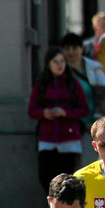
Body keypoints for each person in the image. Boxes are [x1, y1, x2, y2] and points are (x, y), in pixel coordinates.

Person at [29, 48, 90, 190]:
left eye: (62, 61)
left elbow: (84, 109)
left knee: (67, 181)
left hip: (69, 140)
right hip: (47, 140)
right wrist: (44, 113)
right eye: (55, 62)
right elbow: (32, 110)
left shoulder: (73, 84)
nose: (59, 65)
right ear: (48, 64)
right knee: (45, 177)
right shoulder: (42, 85)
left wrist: (65, 112)